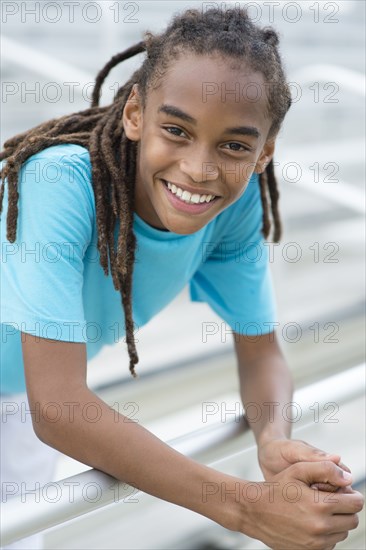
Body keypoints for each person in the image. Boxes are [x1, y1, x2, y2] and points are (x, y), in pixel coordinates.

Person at [0, 7, 363, 550]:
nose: (200, 168)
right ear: (133, 115)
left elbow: (262, 355)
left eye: (234, 145)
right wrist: (246, 509)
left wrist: (272, 441)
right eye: (176, 130)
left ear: (265, 153)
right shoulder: (59, 182)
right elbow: (58, 408)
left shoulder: (231, 209)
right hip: (38, 401)